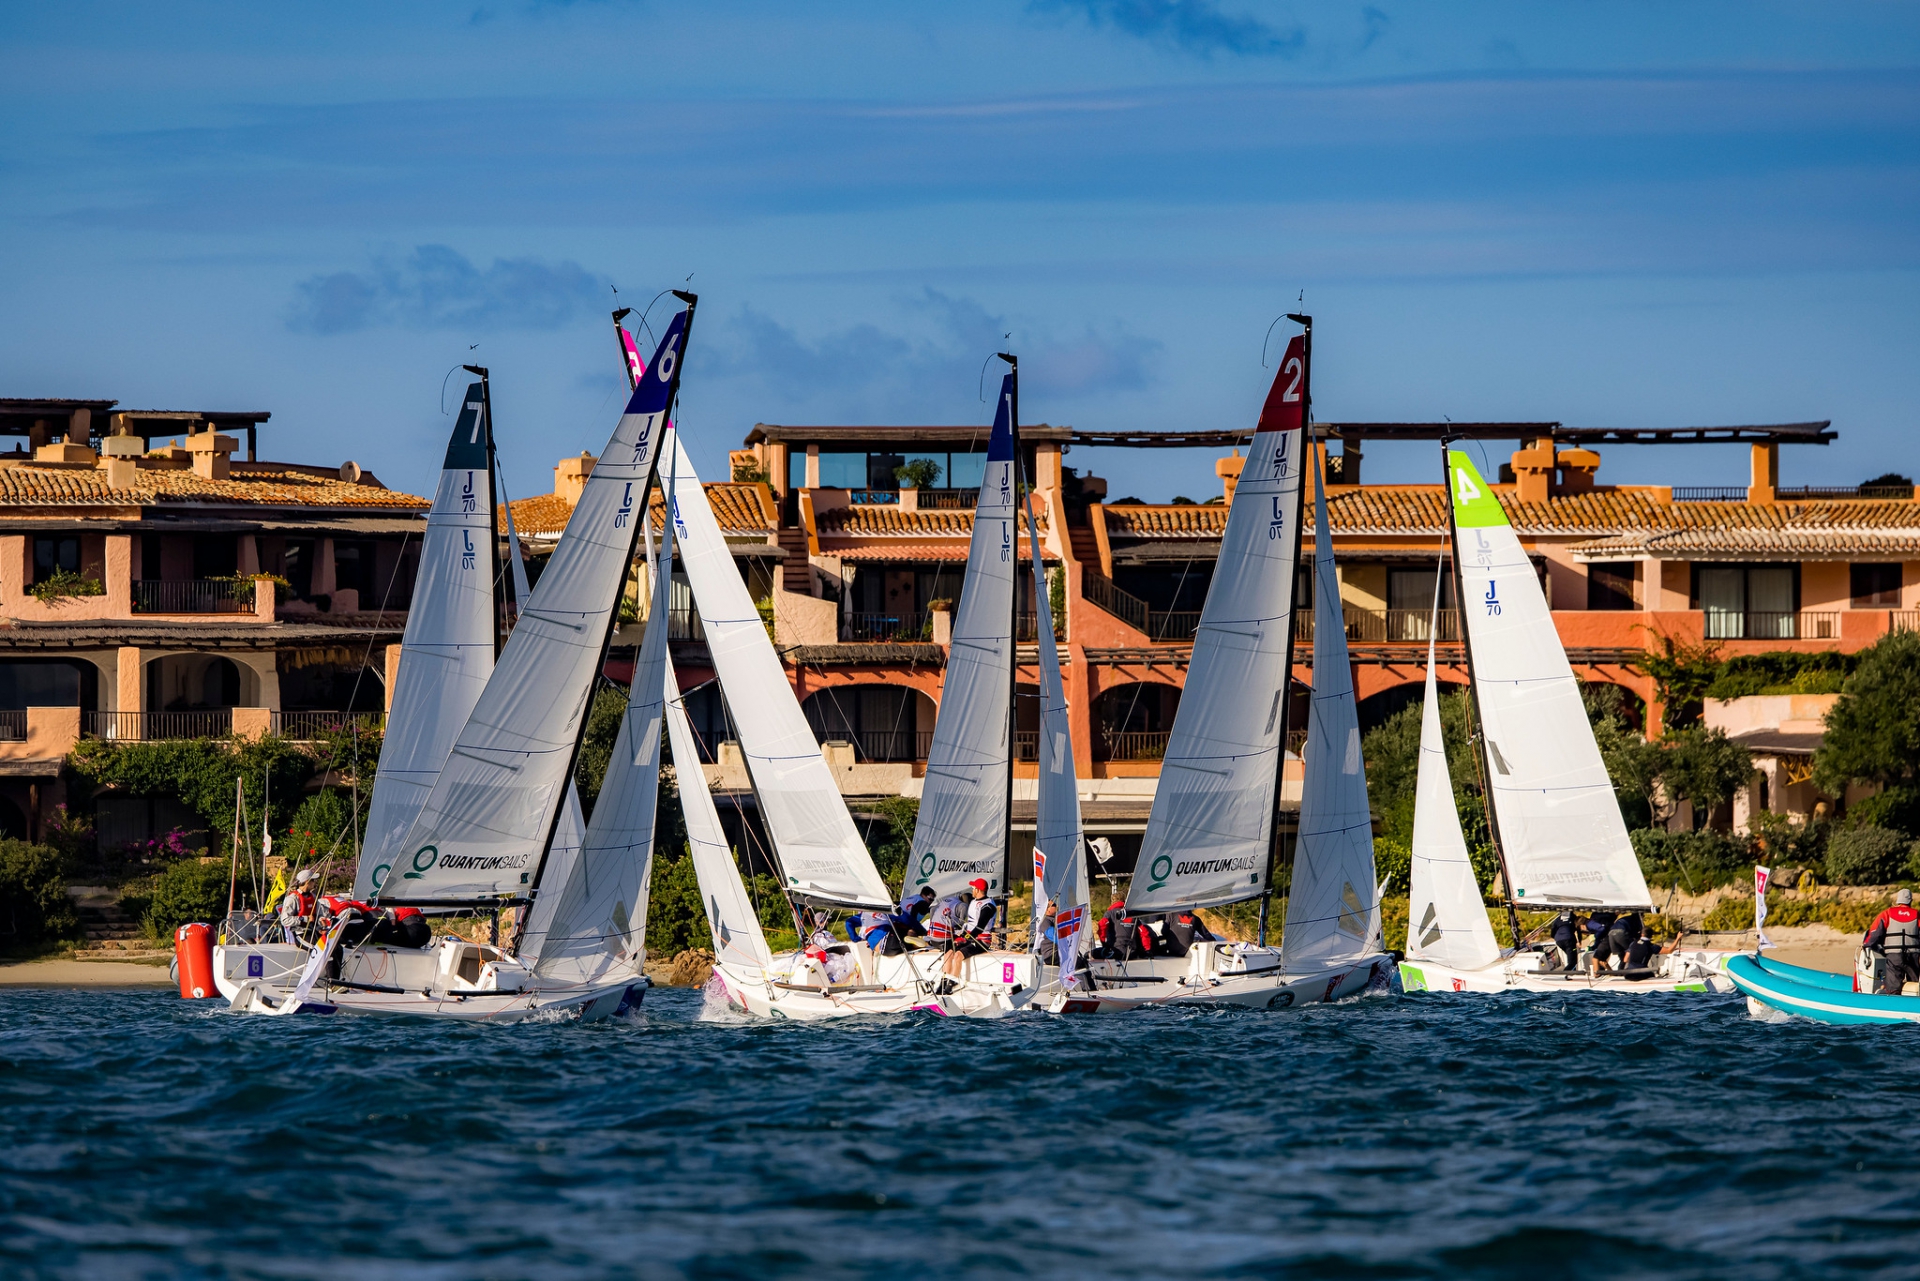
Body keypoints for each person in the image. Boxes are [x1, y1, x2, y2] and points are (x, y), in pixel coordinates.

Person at [937, 878, 998, 990]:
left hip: (982, 941)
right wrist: (962, 936)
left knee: (958, 955)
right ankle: (943, 982)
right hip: (970, 937)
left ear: (978, 890)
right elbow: (970, 924)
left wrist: (966, 939)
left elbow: (980, 927)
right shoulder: (974, 902)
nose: (972, 890)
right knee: (948, 953)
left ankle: (952, 983)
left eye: (973, 888)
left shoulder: (988, 906)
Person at [1864, 889, 1920, 995]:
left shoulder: (1887, 913)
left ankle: (1894, 1002)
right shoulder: (1917, 915)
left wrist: (1867, 945)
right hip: (1913, 956)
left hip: (1894, 956)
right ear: (1910, 901)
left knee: (1893, 986)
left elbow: (1875, 933)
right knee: (1915, 984)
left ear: (1898, 901)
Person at [1097, 896, 1151, 961]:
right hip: (1131, 953)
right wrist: (1147, 949)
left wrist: (1104, 943)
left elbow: (1101, 925)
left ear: (1112, 902)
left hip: (1115, 952)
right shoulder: (1132, 914)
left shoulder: (1110, 913)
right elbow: (1144, 932)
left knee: (1091, 953)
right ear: (1125, 901)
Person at [278, 869, 317, 942]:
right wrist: (306, 919)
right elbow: (285, 920)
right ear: (307, 882)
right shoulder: (293, 898)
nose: (314, 882)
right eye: (313, 880)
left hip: (313, 931)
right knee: (319, 947)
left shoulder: (313, 897)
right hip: (300, 934)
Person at [1586, 910, 1620, 977]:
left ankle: (1597, 974)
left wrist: (1597, 936)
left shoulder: (1590, 923)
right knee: (1602, 960)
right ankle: (1613, 974)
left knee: (1595, 958)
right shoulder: (1610, 916)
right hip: (1610, 936)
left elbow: (1601, 929)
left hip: (1606, 938)